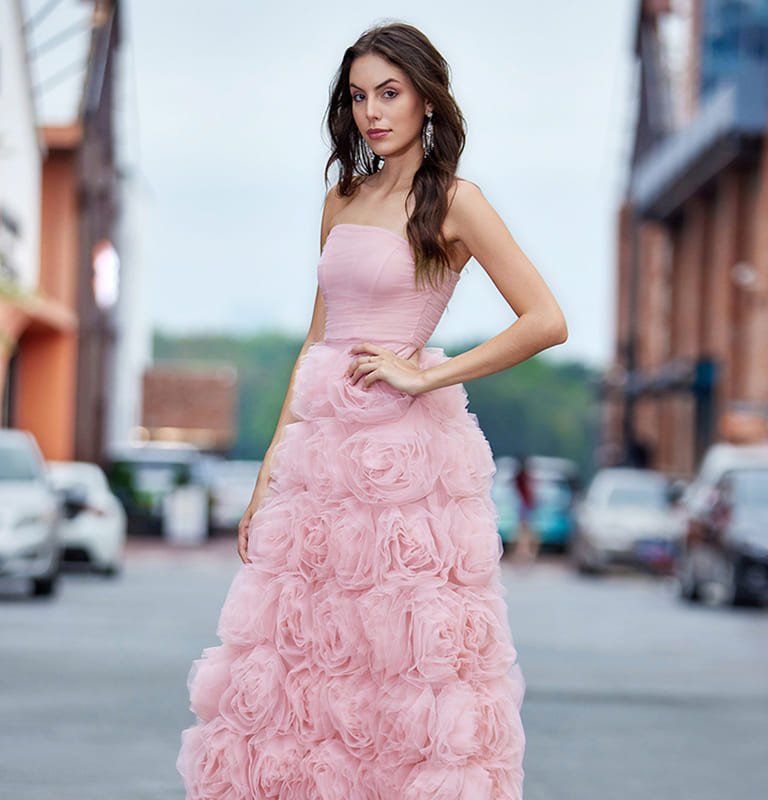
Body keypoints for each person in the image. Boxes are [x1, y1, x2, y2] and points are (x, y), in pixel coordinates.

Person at [176, 20, 567, 800]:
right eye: (359, 97)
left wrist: (428, 375)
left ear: (427, 99)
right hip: (320, 466)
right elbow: (316, 341)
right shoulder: (342, 198)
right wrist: (268, 480)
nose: (372, 112)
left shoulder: (457, 202)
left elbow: (545, 321)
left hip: (403, 471)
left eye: (389, 93)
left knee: (401, 665)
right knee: (310, 667)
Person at [511, 455, 540, 565]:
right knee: (525, 534)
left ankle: (522, 554)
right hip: (524, 507)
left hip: (524, 507)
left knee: (523, 533)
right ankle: (523, 554)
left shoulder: (520, 477)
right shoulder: (523, 477)